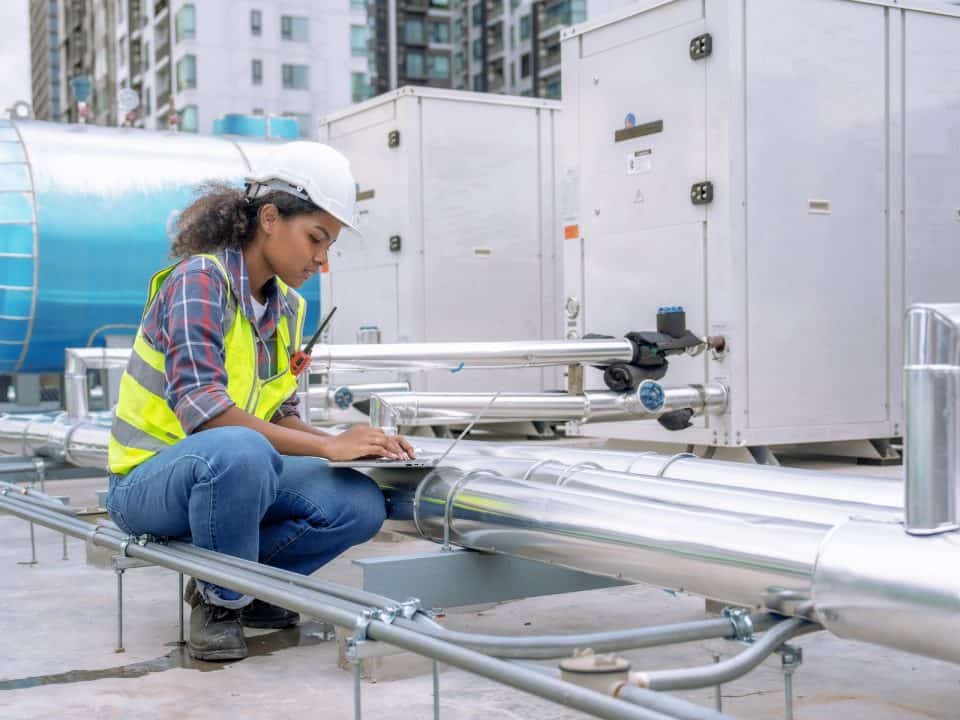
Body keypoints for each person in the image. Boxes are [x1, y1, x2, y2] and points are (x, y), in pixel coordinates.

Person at [105, 142, 415, 662]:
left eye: (330, 246)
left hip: (231, 469)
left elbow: (279, 412)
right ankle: (219, 600)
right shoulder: (200, 282)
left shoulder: (287, 307)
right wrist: (327, 448)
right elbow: (204, 414)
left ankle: (255, 588)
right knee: (240, 452)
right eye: (315, 239)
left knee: (358, 503)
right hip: (147, 481)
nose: (321, 259)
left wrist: (351, 444)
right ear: (269, 217)